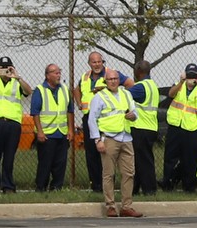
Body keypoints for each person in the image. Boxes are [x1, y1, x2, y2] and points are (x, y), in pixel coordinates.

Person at [88, 66, 144, 217]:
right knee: (108, 174)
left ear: (119, 80)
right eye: (110, 79)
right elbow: (92, 119)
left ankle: (127, 206)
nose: (113, 81)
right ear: (106, 81)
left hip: (126, 137)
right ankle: (110, 206)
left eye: (115, 79)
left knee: (129, 173)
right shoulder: (100, 97)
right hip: (109, 138)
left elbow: (134, 111)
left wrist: (133, 116)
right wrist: (97, 140)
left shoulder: (126, 94)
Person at [163, 64, 197, 192]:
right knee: (170, 156)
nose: (191, 78)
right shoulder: (179, 85)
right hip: (176, 125)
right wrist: (181, 81)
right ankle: (167, 184)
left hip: (193, 128)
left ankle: (189, 186)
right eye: (189, 75)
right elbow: (171, 94)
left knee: (191, 159)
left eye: (193, 75)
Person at [29, 63, 70, 192]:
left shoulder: (64, 89)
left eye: (59, 72)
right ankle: (41, 187)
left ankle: (56, 187)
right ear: (47, 75)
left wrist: (70, 130)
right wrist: (39, 132)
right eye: (55, 72)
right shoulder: (40, 90)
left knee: (60, 163)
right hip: (46, 134)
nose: (59, 75)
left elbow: (70, 110)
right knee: (45, 163)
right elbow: (35, 112)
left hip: (61, 132)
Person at [74, 50, 109, 192]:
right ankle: (96, 185)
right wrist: (79, 103)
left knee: (106, 152)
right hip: (89, 118)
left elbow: (128, 84)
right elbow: (76, 90)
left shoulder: (110, 74)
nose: (97, 64)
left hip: (105, 118)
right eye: (94, 62)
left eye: (99, 61)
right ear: (89, 63)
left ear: (103, 62)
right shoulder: (85, 77)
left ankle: (107, 184)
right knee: (91, 153)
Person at [127, 60, 162, 196]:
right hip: (151, 127)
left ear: (139, 71)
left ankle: (149, 189)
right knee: (140, 160)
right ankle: (135, 189)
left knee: (143, 161)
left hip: (140, 127)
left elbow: (123, 96)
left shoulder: (141, 87)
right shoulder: (152, 85)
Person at [0, 55, 23, 192]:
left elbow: (29, 92)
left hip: (13, 123)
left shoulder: (16, 83)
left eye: (8, 68)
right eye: (2, 68)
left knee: (9, 157)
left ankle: (8, 186)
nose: (5, 70)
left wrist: (17, 77)